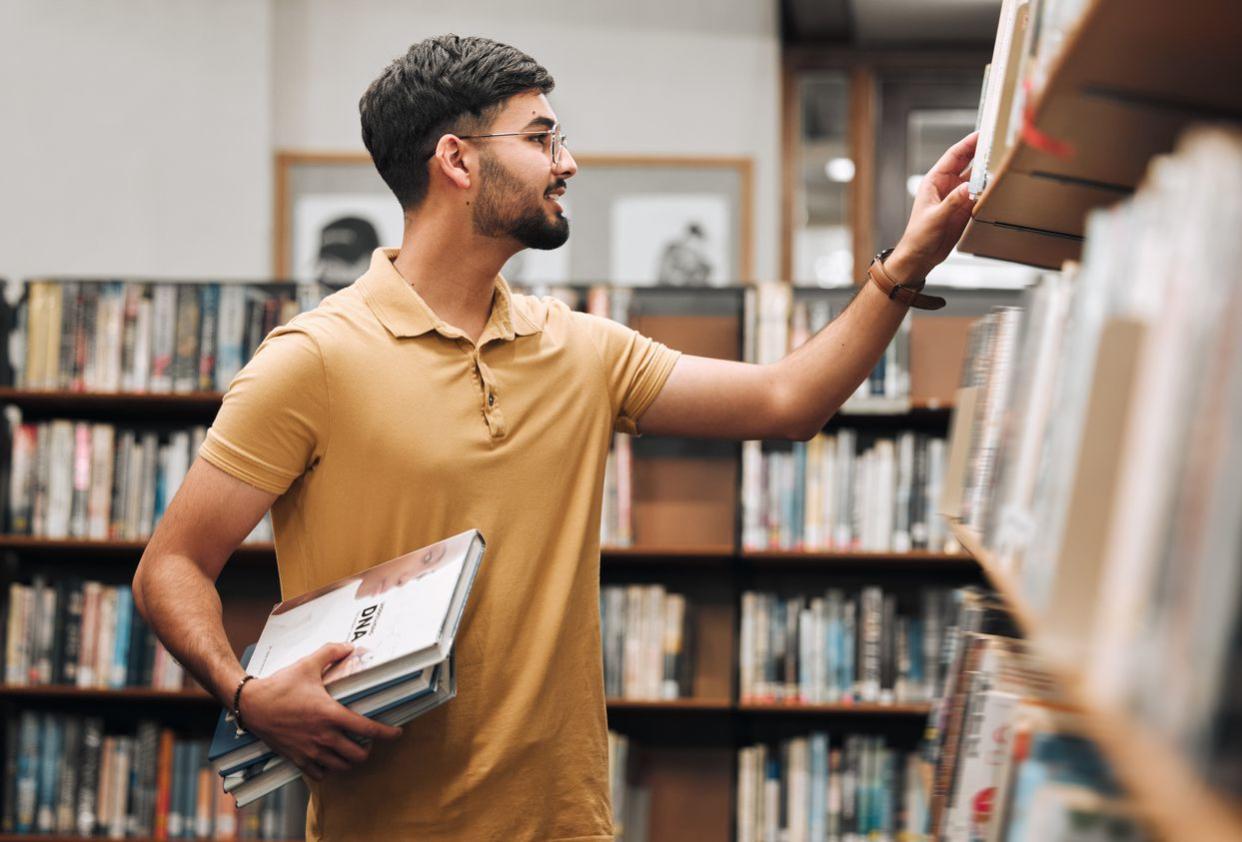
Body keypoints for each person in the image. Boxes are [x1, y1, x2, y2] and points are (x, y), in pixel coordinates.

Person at [132, 34, 977, 842]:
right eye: (541, 138)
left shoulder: (582, 348)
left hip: (569, 822)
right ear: (458, 160)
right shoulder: (314, 360)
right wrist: (244, 695)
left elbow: (788, 401)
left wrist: (903, 267)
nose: (566, 163)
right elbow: (170, 565)